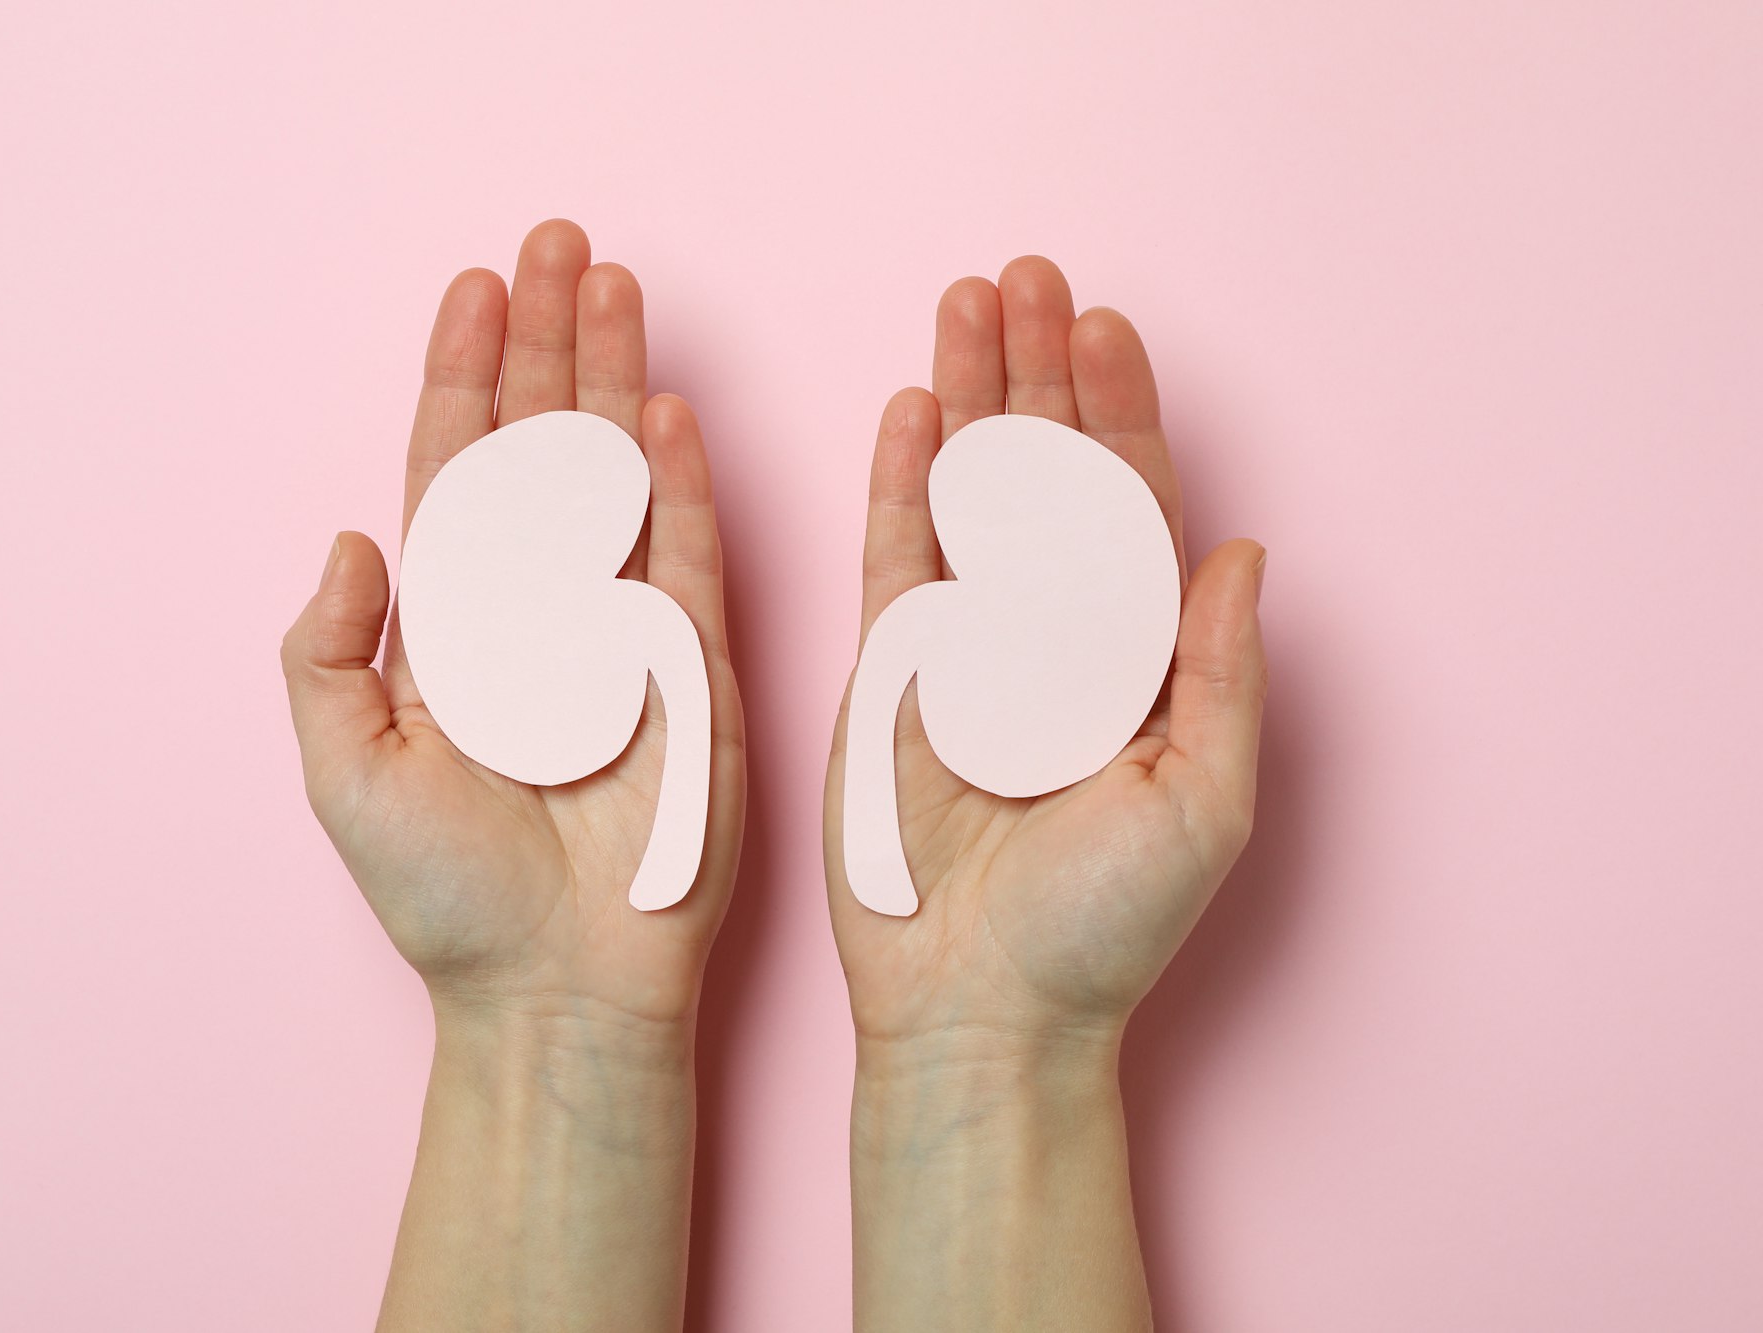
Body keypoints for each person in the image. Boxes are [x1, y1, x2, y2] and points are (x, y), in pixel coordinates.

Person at [280, 219, 1268, 1332]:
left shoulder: (866, 633)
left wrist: (1005, 1031)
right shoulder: (804, 632)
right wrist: (539, 1007)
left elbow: (753, 679)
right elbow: (796, 677)